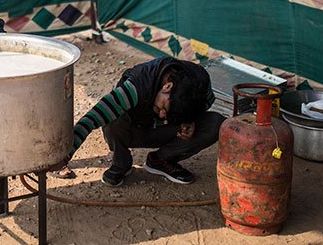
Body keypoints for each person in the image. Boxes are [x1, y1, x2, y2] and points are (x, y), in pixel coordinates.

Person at [65, 57, 225, 186]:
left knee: (216, 123)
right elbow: (92, 118)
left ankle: (161, 160)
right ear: (167, 86)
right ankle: (121, 163)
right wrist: (65, 155)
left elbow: (206, 104)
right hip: (134, 129)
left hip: (165, 130)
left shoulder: (200, 81)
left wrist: (190, 120)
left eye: (168, 112)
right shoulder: (138, 85)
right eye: (164, 107)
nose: (163, 115)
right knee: (114, 117)